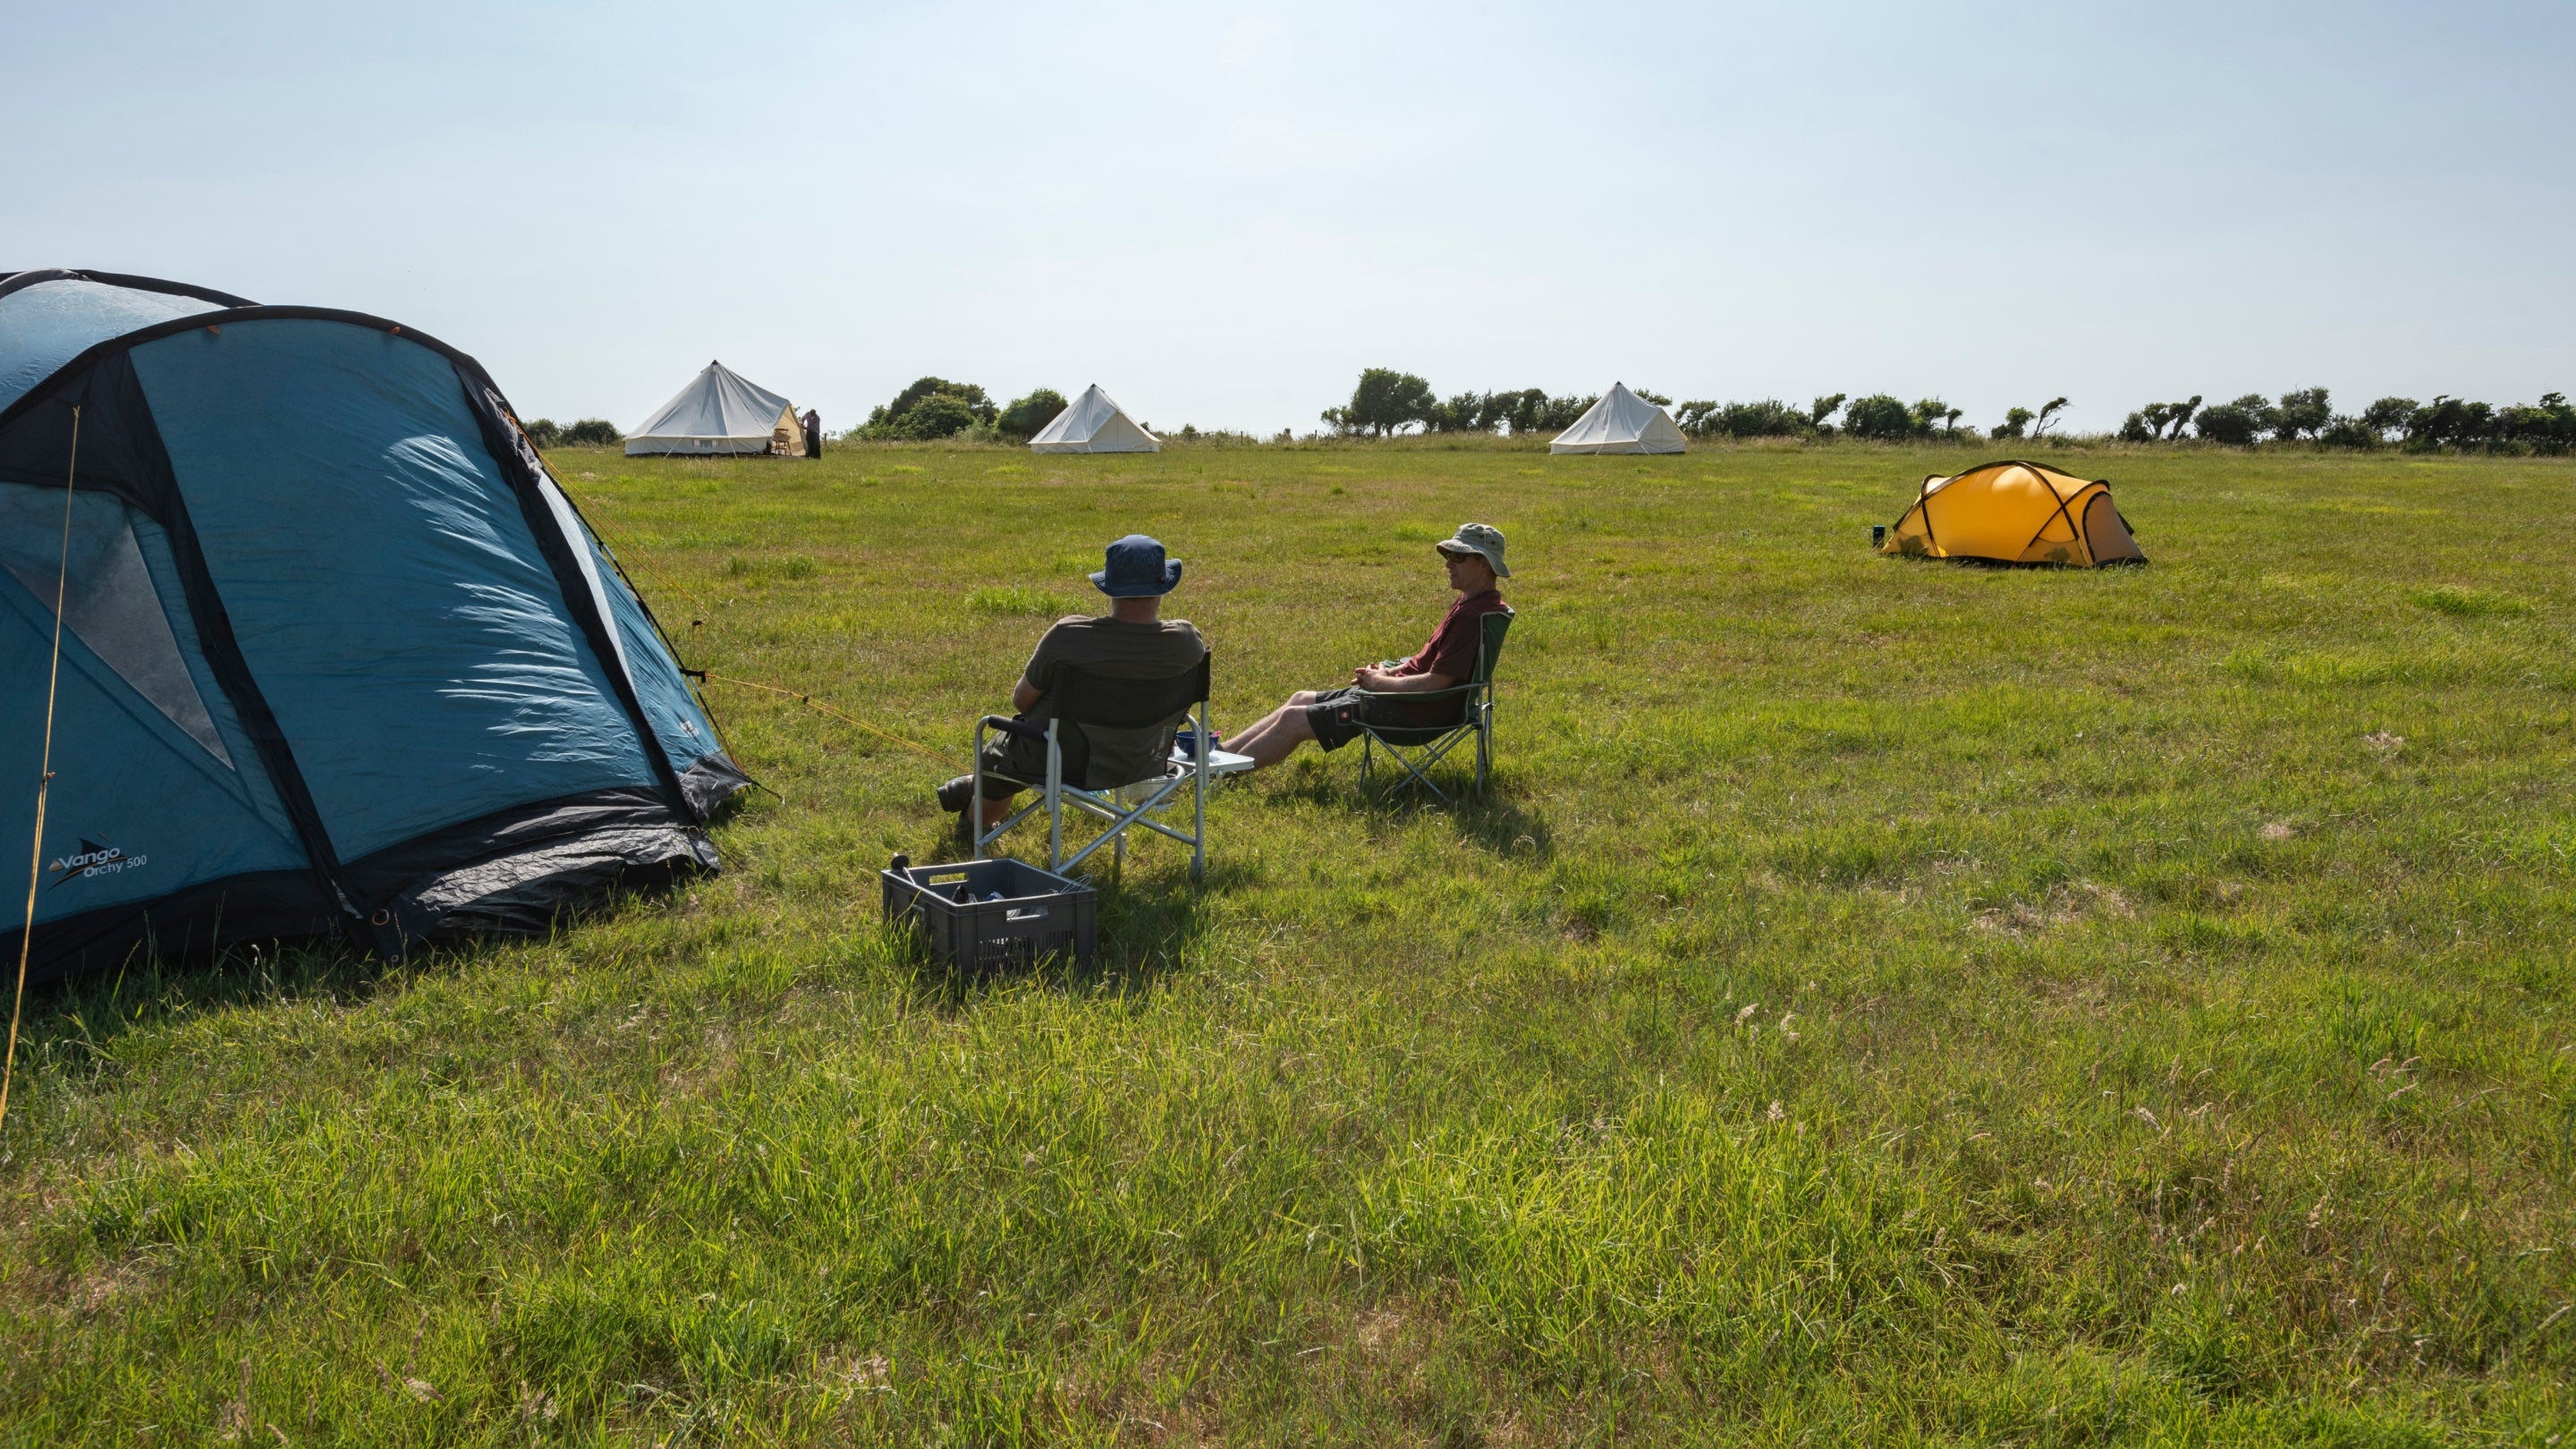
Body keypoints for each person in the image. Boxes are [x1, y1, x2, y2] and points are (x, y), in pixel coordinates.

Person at [937, 535, 1207, 837]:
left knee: (1000, 761)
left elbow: (1022, 702)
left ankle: (973, 824)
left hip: (1063, 762)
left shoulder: (1069, 636)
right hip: (1145, 760)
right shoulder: (1186, 642)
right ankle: (973, 786)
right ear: (1162, 588)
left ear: (1110, 587)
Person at [1227, 522, 1510, 770]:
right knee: (1300, 698)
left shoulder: (1472, 617)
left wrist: (1379, 684)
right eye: (1448, 555)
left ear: (1483, 563)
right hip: (1410, 703)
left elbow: (1434, 683)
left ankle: (1216, 775)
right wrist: (1387, 673)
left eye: (1457, 556)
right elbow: (1429, 663)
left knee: (1293, 720)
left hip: (1416, 714)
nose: (1448, 563)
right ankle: (1220, 755)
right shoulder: (1472, 603)